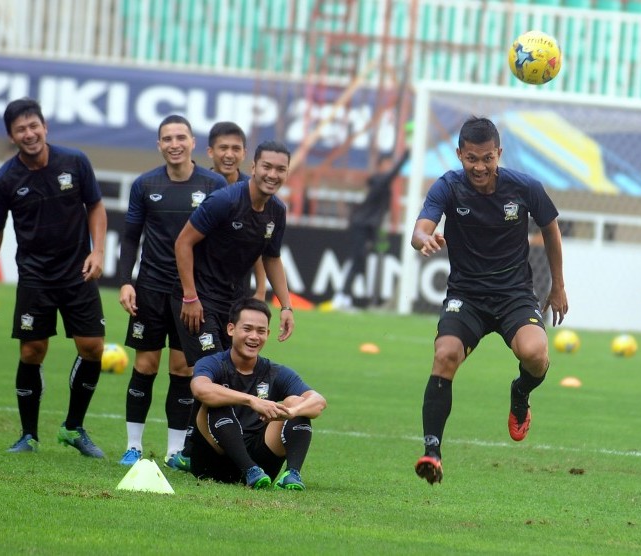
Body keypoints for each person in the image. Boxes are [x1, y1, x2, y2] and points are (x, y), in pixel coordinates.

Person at [411, 116, 568, 485]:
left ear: (499, 153)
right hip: (466, 297)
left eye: (486, 158)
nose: (479, 167)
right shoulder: (448, 187)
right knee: (444, 355)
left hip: (514, 295)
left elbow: (551, 228)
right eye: (471, 159)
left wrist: (558, 285)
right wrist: (425, 240)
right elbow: (420, 229)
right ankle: (432, 451)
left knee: (536, 355)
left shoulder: (525, 187)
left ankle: (520, 393)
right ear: (459, 155)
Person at [0, 98, 107, 458]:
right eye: (21, 129)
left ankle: (73, 427)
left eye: (34, 125)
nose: (29, 133)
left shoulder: (75, 162)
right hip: (35, 276)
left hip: (77, 272)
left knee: (93, 346)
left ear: (45, 127)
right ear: (11, 136)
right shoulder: (5, 179)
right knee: (33, 350)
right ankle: (28, 436)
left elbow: (95, 205)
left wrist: (97, 251)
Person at [173, 140, 298, 468]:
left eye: (280, 169)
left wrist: (285, 305)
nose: (273, 174)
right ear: (253, 168)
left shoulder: (276, 212)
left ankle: (199, 449)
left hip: (233, 303)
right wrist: (189, 296)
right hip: (197, 298)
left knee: (227, 374)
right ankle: (192, 452)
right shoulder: (225, 200)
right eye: (267, 167)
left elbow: (271, 257)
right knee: (211, 375)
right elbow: (183, 242)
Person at [116, 115, 227, 468]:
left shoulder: (214, 184)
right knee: (145, 366)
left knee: (182, 370)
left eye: (181, 137)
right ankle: (133, 446)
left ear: (193, 142)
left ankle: (175, 451)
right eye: (167, 139)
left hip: (190, 294)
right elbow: (130, 237)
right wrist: (125, 281)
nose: (174, 144)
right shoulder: (144, 184)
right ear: (159, 145)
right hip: (149, 289)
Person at [189, 297, 327, 489]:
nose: (254, 336)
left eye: (261, 331)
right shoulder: (212, 363)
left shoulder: (275, 371)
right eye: (247, 329)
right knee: (214, 400)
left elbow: (318, 401)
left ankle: (293, 474)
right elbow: (200, 389)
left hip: (262, 466)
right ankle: (248, 469)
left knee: (296, 402)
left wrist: (292, 412)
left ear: (267, 334)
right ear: (231, 329)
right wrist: (251, 400)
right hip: (214, 462)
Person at [332, 149, 410, 310]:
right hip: (361, 225)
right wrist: (406, 155)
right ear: (380, 165)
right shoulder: (379, 180)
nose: (390, 167)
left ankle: (347, 297)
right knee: (357, 260)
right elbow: (392, 175)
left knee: (360, 261)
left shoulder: (380, 182)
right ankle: (342, 296)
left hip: (368, 227)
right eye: (387, 164)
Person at [206, 120, 267, 301]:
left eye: (235, 149)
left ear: (244, 153)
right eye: (223, 148)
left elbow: (256, 244)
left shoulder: (253, 190)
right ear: (210, 151)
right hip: (200, 289)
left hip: (238, 291)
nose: (229, 155)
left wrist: (261, 290)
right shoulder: (199, 186)